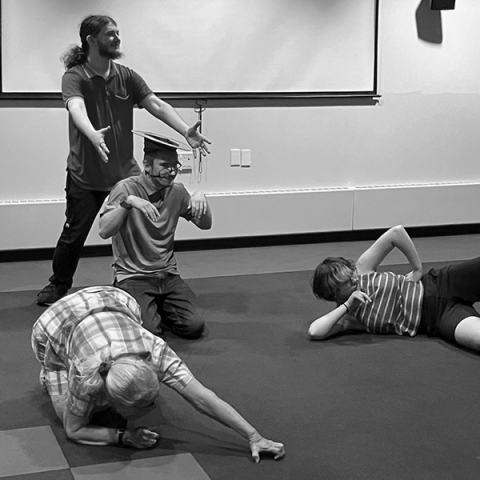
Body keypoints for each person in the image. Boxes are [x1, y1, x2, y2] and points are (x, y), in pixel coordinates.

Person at [36, 14, 211, 306]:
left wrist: (185, 131)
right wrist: (92, 133)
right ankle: (58, 285)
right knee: (74, 234)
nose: (117, 38)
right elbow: (76, 106)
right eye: (110, 34)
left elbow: (155, 103)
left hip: (124, 174)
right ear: (92, 40)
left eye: (118, 33)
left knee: (137, 228)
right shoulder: (75, 76)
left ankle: (138, 281)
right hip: (85, 175)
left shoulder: (125, 75)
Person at [31, 286, 285, 461]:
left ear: (149, 367)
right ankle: (53, 375)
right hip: (55, 324)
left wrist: (254, 436)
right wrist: (123, 437)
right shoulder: (85, 374)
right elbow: (74, 430)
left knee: (89, 416)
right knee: (67, 414)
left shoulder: (155, 351)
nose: (154, 405)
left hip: (112, 300)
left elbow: (202, 397)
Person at [98, 132, 212, 339]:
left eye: (174, 166)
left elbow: (205, 226)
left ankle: (155, 306)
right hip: (133, 276)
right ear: (147, 166)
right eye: (164, 165)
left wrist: (201, 197)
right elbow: (104, 231)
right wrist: (128, 203)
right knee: (149, 333)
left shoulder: (176, 191)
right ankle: (134, 304)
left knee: (194, 327)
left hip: (167, 275)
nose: (171, 171)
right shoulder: (125, 188)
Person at [308, 225, 480, 352]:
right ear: (335, 294)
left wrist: (417, 268)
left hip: (441, 283)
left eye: (351, 273)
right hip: (436, 318)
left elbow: (396, 233)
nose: (354, 278)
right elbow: (315, 331)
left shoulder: (362, 269)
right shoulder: (349, 318)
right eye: (347, 281)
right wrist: (347, 306)